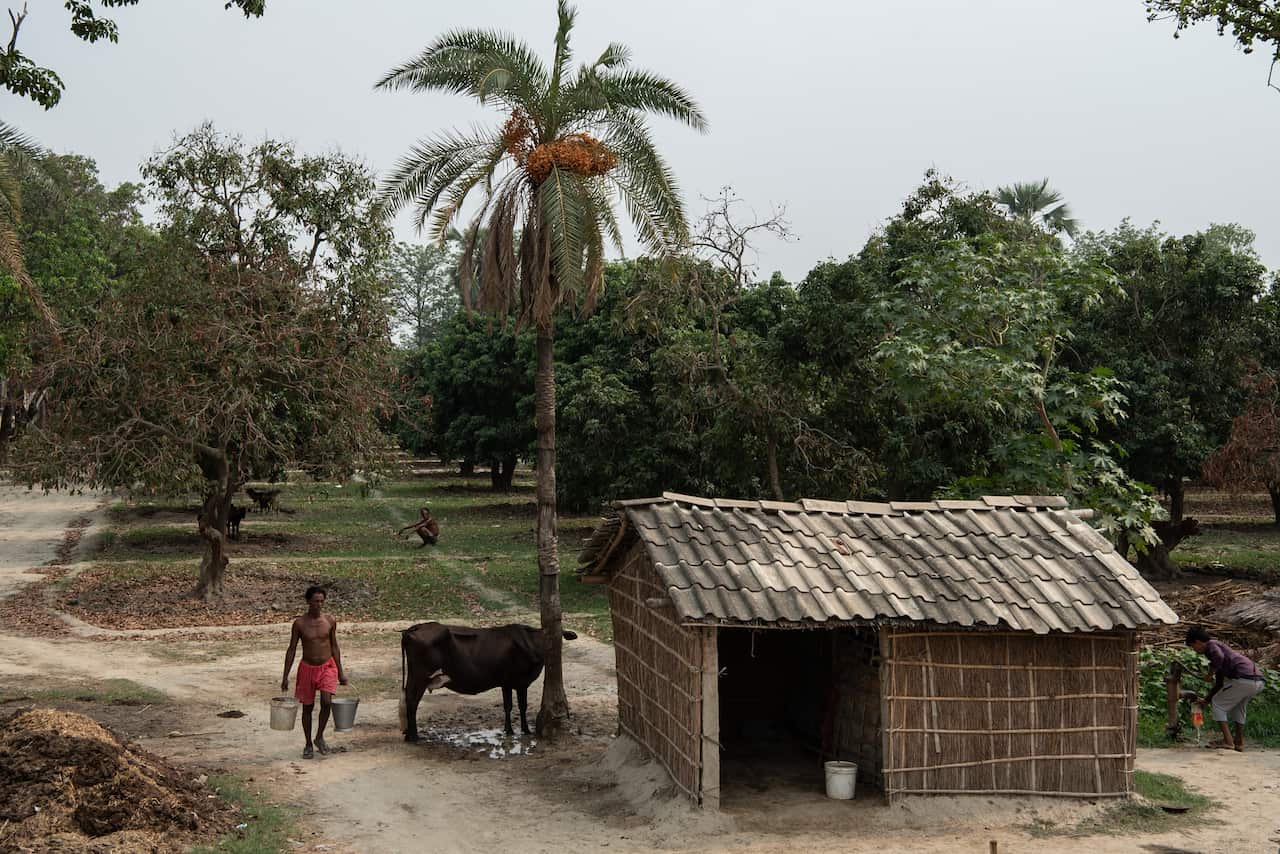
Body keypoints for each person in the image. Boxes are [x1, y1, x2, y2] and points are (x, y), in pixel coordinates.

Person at [281, 585, 347, 758]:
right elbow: (292, 649)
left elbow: (334, 646)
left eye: (321, 601)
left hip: (327, 666)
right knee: (307, 708)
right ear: (308, 602)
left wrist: (341, 672)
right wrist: (285, 676)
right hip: (307, 668)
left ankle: (319, 737)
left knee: (326, 701)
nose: (319, 604)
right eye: (315, 601)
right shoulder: (300, 624)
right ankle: (308, 743)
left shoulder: (330, 621)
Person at [1185, 625, 1265, 751]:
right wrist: (1206, 700)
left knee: (1218, 703)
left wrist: (1209, 674)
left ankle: (1228, 741)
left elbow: (1219, 658)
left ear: (1198, 642)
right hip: (1257, 680)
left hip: (1244, 678)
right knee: (1238, 708)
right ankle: (1239, 742)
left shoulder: (1212, 646)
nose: (1194, 650)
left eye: (1193, 646)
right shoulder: (1218, 657)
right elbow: (1219, 684)